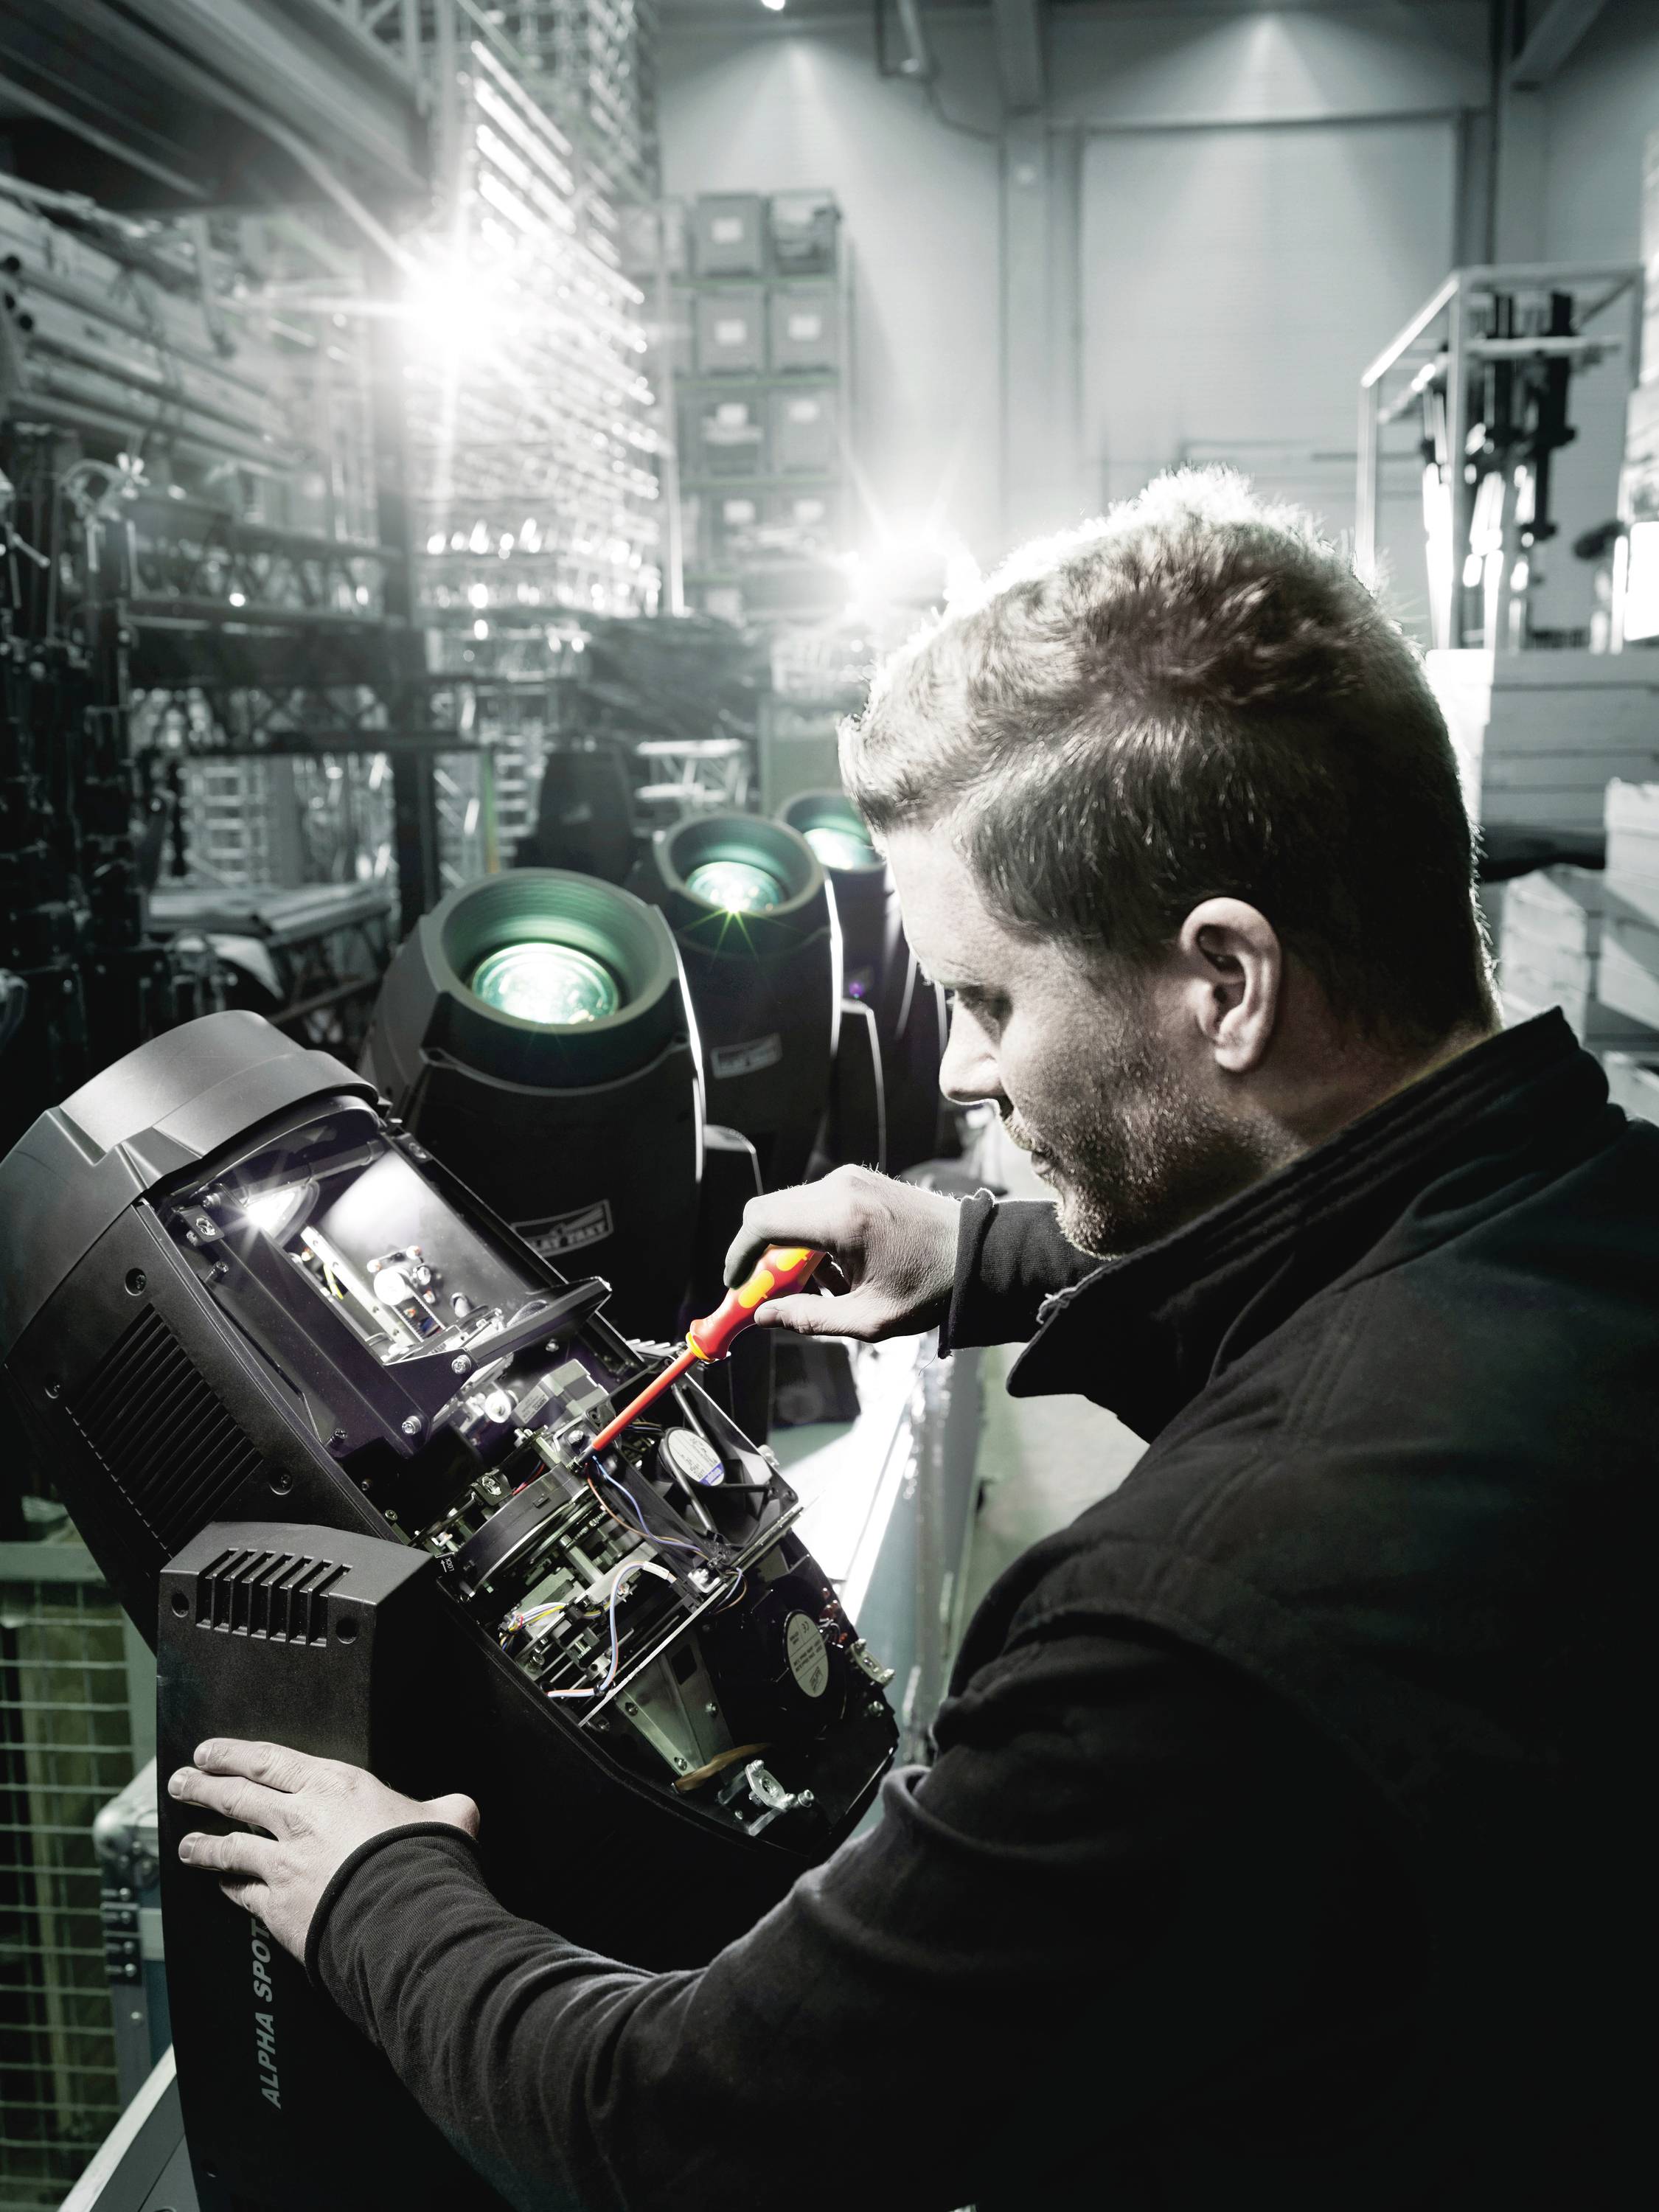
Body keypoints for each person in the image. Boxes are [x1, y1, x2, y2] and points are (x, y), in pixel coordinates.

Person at [169, 471, 1651, 2209]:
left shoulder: (1191, 1617)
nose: (958, 1071)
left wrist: (373, 1889)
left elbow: (680, 2134)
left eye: (991, 999)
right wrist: (978, 1254)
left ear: (1229, 985)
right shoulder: (1595, 1218)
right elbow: (1341, 1256)